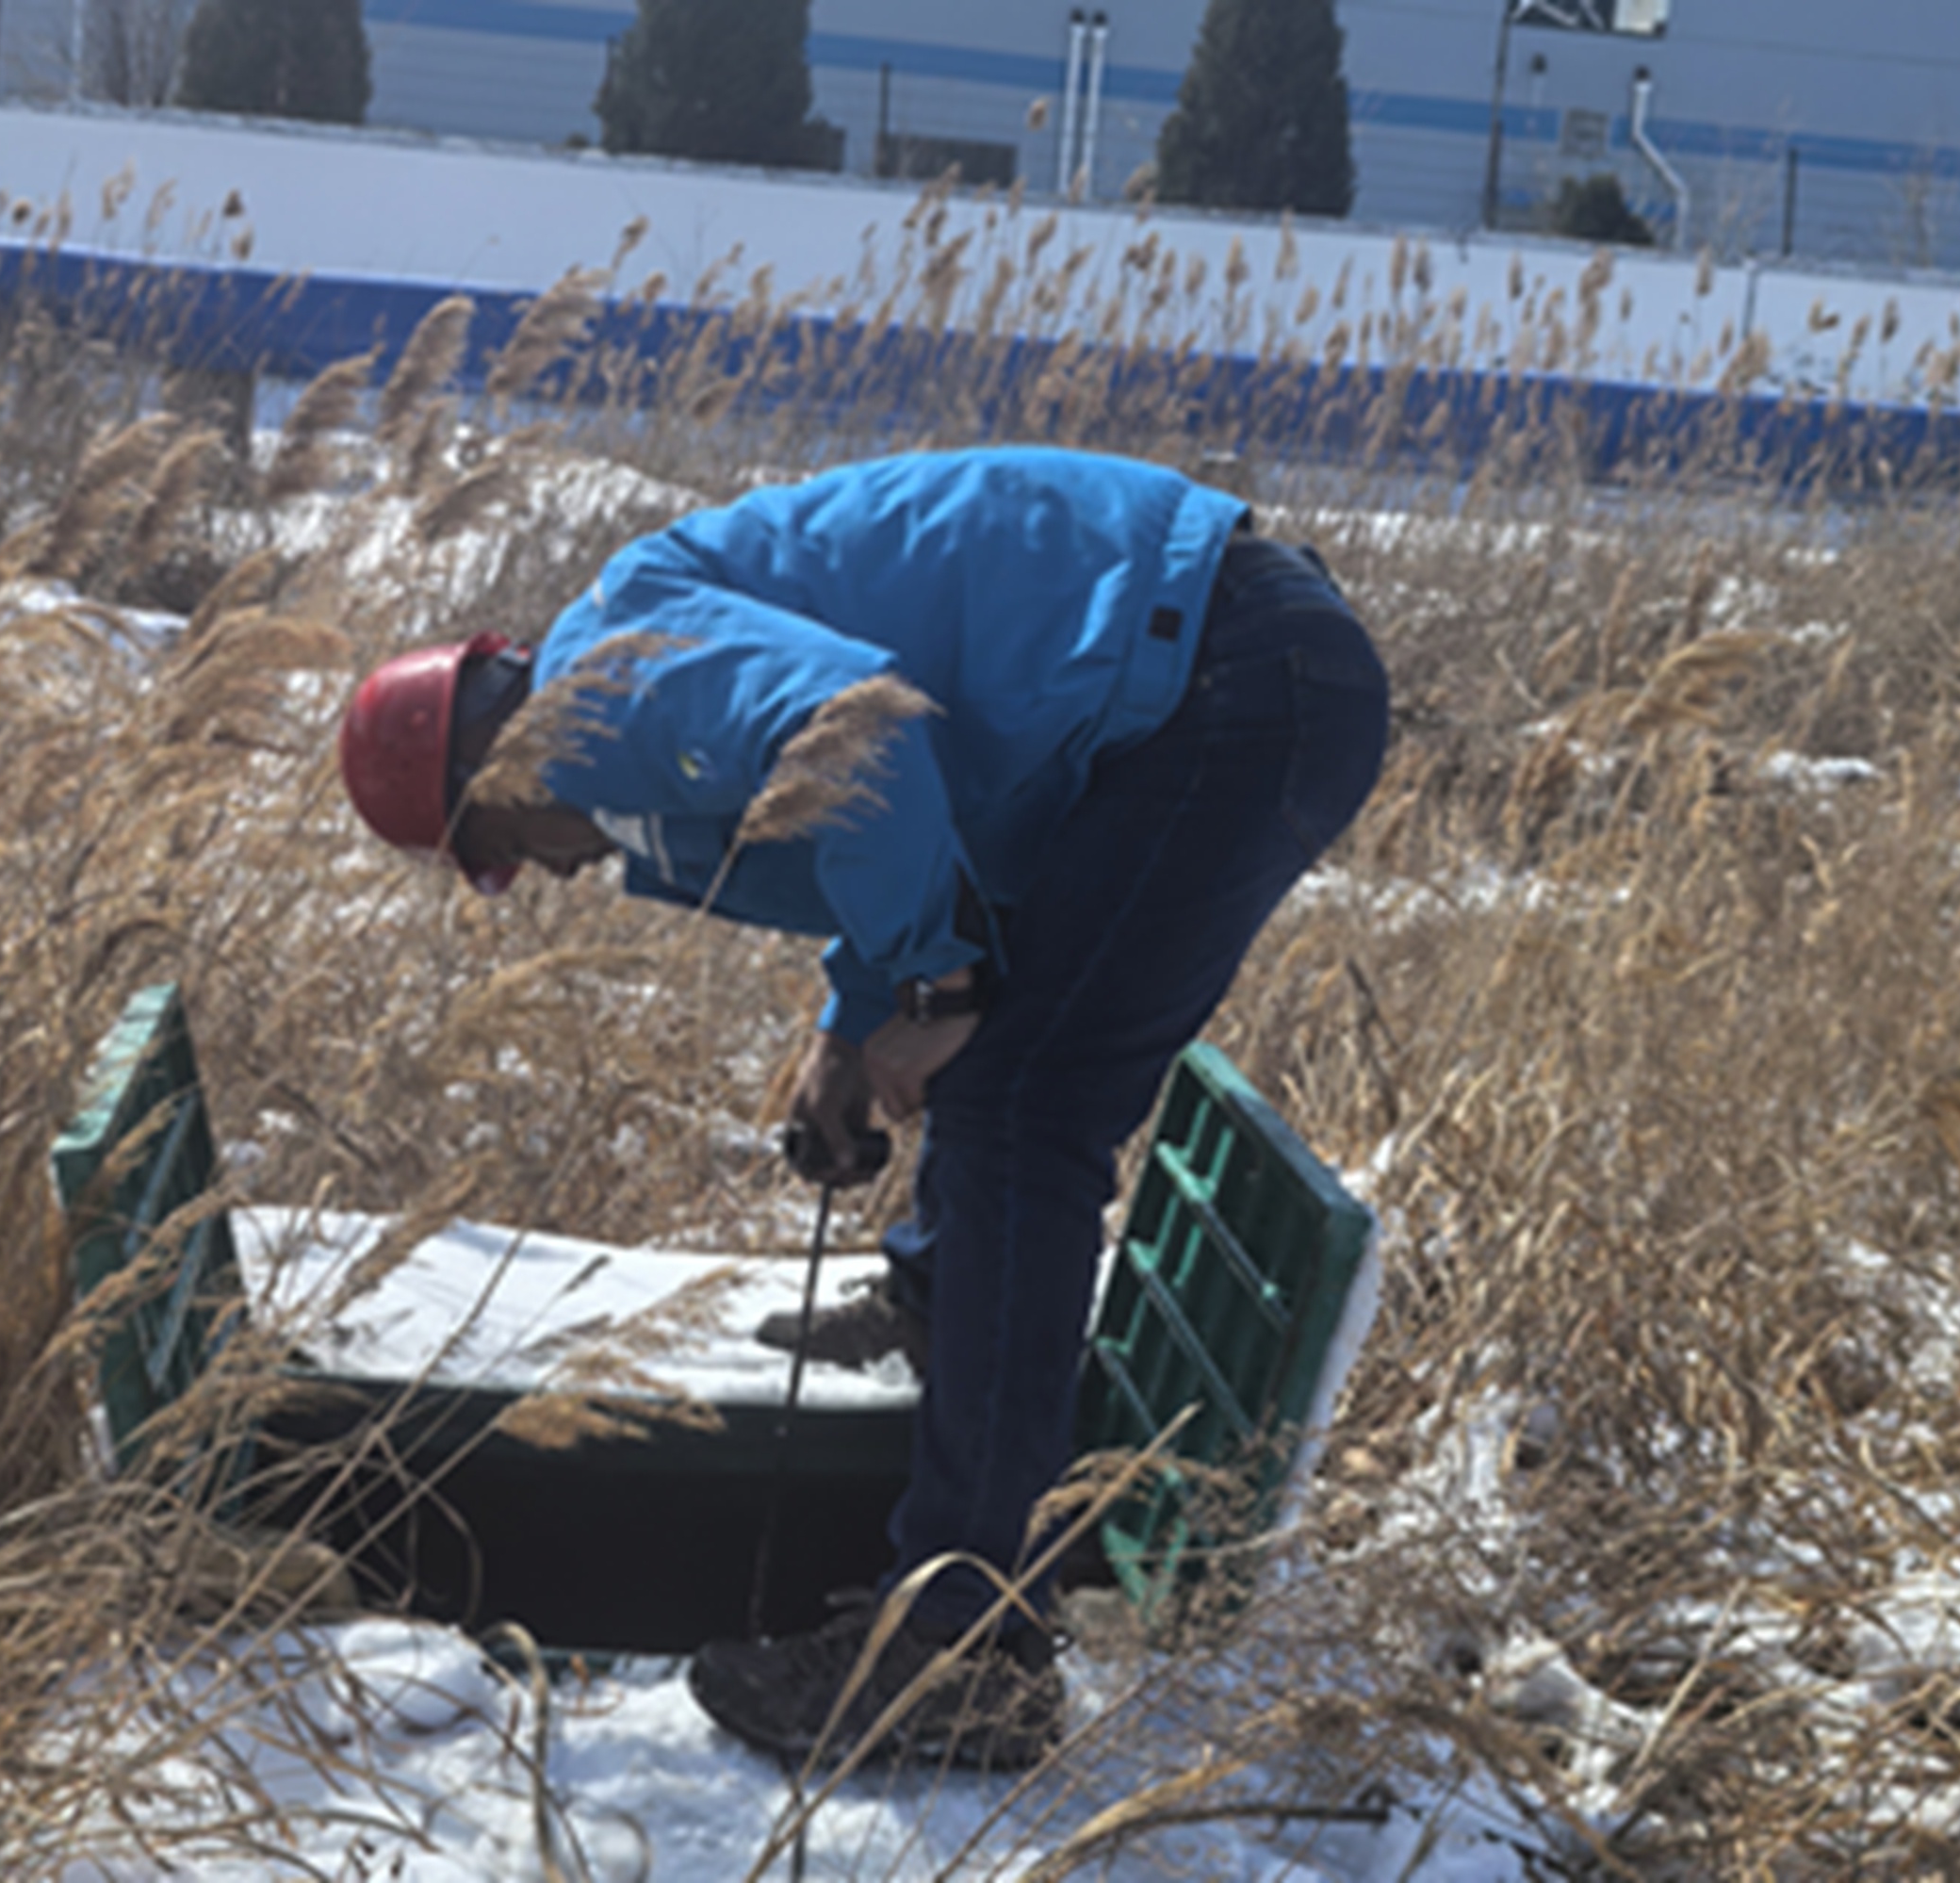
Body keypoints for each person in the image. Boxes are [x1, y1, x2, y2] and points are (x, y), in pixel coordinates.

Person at [335, 445, 1388, 1769]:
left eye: (497, 854)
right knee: (1005, 1076)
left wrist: (937, 985)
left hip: (1221, 680)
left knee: (1019, 1109)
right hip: (1203, 673)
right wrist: (856, 1019)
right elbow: (890, 809)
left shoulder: (605, 686)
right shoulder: (625, 670)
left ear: (497, 774)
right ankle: (944, 1312)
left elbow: (859, 728)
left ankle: (964, 1649)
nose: (535, 877)